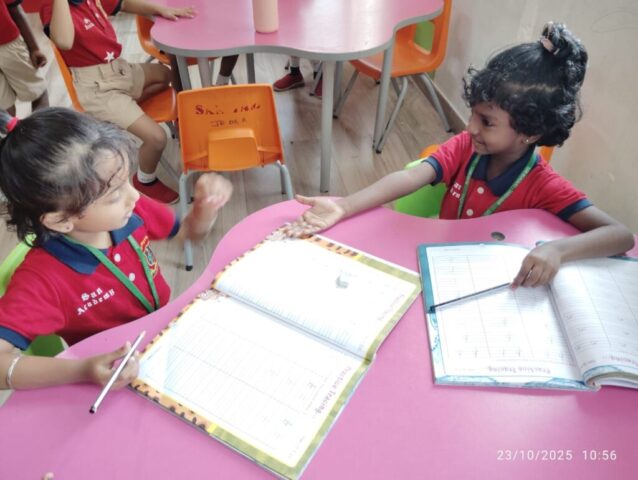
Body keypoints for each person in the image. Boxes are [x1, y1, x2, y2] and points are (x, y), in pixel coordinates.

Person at [285, 22, 635, 287]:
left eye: (486, 121)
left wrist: (557, 250)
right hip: (439, 268)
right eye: (473, 114)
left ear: (530, 132)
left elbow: (620, 235)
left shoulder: (543, 184)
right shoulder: (467, 147)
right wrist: (344, 206)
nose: (470, 127)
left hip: (490, 285)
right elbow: (411, 176)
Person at [0, 107, 232, 391]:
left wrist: (205, 211)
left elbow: (188, 234)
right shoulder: (43, 280)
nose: (134, 196)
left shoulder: (131, 211)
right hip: (114, 378)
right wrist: (83, 370)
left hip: (162, 340)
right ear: (61, 220)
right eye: (114, 195)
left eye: (127, 182)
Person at [42, 0, 195, 204]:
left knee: (165, 74)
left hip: (118, 70)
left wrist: (162, 10)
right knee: (157, 138)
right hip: (97, 88)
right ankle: (145, 180)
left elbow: (122, 4)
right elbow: (64, 41)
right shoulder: (52, 7)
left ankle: (122, 110)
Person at [0, 0, 49, 115]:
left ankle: (10, 126)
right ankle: (42, 126)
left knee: (3, 106)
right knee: (37, 92)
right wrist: (34, 48)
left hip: (8, 43)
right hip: (8, 44)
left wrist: (34, 48)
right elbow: (15, 9)